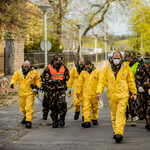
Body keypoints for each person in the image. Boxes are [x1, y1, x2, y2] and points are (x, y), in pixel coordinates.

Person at [96, 52, 137, 143]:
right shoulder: (106, 69)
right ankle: (116, 131)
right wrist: (99, 92)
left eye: (118, 58)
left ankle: (119, 133)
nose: (116, 60)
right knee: (114, 115)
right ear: (112, 58)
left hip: (123, 96)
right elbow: (101, 82)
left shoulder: (126, 68)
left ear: (121, 58)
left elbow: (131, 81)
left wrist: (134, 93)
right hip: (112, 96)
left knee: (120, 114)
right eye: (115, 58)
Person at [10, 60, 41, 129]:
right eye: (25, 66)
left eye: (27, 66)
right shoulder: (19, 72)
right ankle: (26, 116)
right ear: (23, 65)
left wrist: (37, 87)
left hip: (29, 93)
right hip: (21, 93)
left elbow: (38, 80)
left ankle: (28, 121)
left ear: (30, 66)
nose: (26, 67)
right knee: (22, 108)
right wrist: (12, 84)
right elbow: (14, 78)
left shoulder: (34, 73)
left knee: (28, 107)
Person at [41, 54, 69, 128]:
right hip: (52, 89)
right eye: (59, 60)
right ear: (55, 61)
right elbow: (44, 78)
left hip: (61, 88)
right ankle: (55, 121)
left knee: (62, 103)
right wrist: (52, 81)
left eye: (61, 60)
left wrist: (64, 78)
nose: (60, 62)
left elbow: (67, 75)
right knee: (53, 105)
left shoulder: (63, 67)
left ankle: (62, 118)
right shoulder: (48, 68)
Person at [76, 60, 101, 128]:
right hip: (86, 94)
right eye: (86, 67)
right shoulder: (83, 73)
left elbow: (100, 82)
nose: (87, 69)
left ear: (91, 65)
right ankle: (87, 121)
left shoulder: (97, 72)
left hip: (95, 93)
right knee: (86, 107)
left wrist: (99, 92)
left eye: (88, 67)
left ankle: (94, 118)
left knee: (95, 108)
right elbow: (79, 83)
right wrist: (78, 92)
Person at [134, 52, 150, 131]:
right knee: (143, 107)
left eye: (148, 59)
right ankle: (146, 118)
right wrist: (139, 87)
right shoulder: (140, 68)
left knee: (149, 107)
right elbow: (136, 79)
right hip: (142, 91)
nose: (147, 61)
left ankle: (148, 122)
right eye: (145, 59)